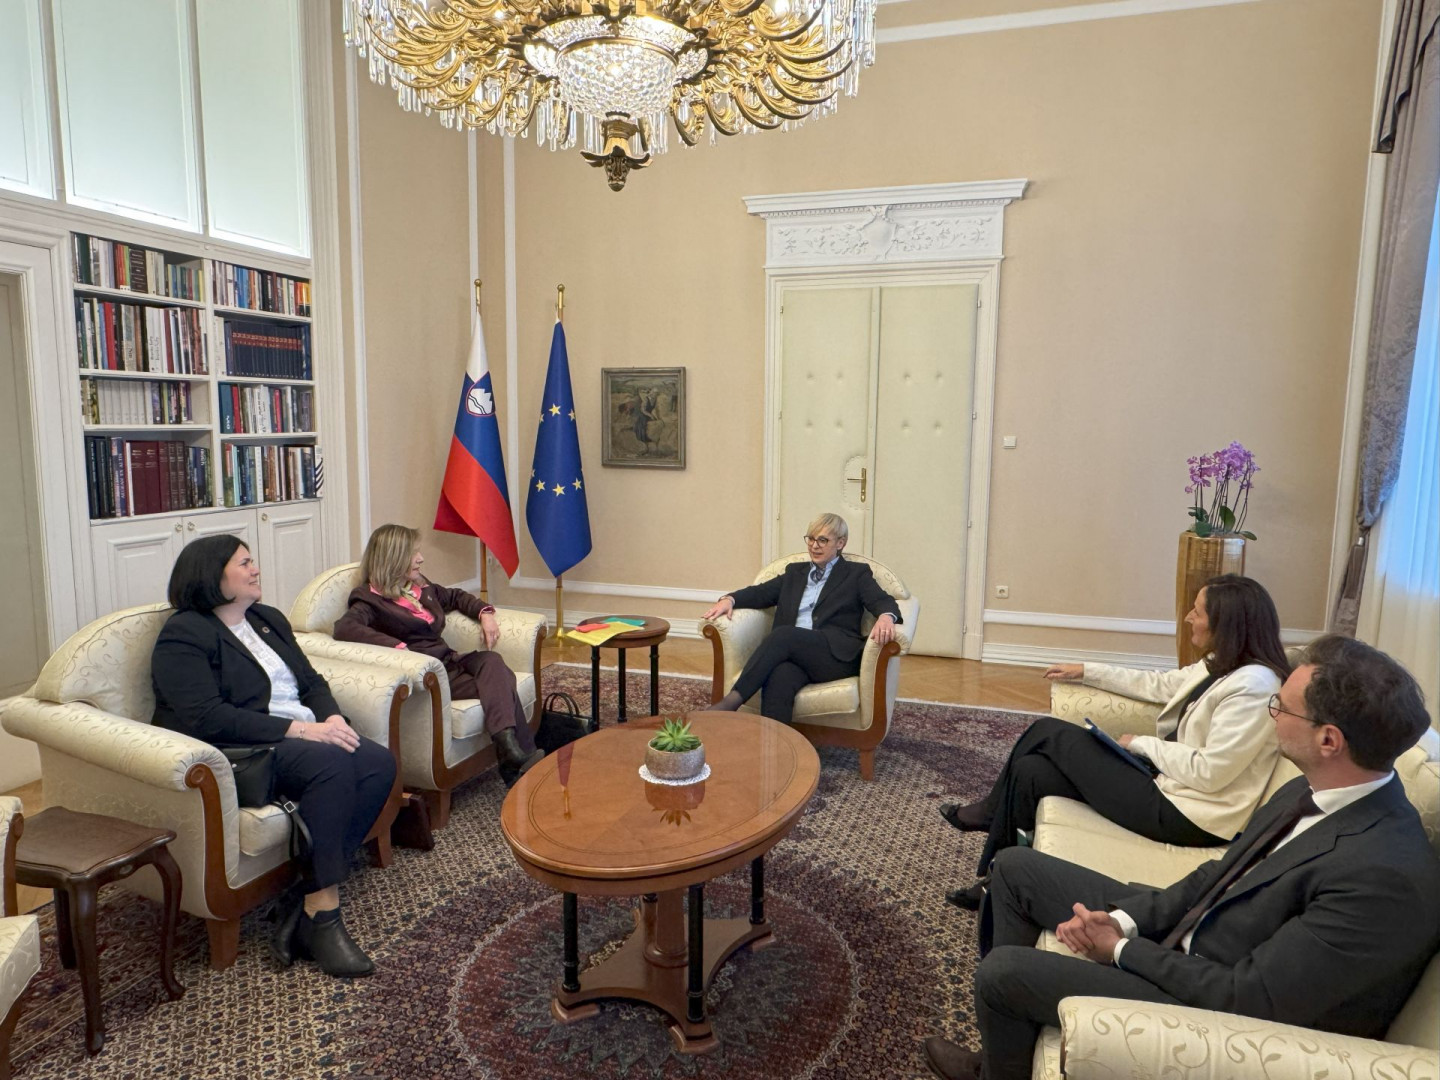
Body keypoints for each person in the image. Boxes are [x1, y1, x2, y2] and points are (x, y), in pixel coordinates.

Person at [921, 634, 1440, 1080]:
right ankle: (1007, 1050)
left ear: (1329, 739)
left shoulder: (1381, 877)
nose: (1272, 715)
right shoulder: (1311, 789)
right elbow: (1219, 875)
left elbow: (1249, 998)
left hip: (1213, 999)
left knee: (1004, 974)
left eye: (1281, 708)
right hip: (1203, 931)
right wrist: (1124, 920)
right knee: (1016, 871)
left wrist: (1121, 949)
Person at [939, 575, 1289, 911]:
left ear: (1225, 624)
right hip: (1168, 786)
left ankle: (988, 813)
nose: (1188, 618)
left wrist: (1142, 744)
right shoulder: (1222, 666)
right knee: (1032, 771)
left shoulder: (1254, 688)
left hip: (1189, 816)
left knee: (1048, 732)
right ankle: (994, 884)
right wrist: (1087, 671)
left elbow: (1211, 771)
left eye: (1197, 612)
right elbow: (1158, 684)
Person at [151, 535, 395, 979]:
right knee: (332, 765)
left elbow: (311, 681)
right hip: (243, 748)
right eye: (244, 563)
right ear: (213, 575)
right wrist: (301, 730)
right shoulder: (184, 634)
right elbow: (207, 717)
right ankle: (322, 914)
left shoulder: (267, 619)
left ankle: (300, 899)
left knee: (378, 762)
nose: (256, 569)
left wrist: (332, 718)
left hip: (298, 734)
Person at [334, 523, 543, 782]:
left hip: (450, 661)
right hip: (431, 676)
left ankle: (512, 756)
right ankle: (517, 757)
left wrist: (485, 614)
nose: (421, 558)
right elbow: (345, 628)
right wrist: (399, 648)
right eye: (414, 553)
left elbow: (455, 597)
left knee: (492, 661)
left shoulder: (419, 587)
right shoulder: (369, 599)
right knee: (503, 681)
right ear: (394, 557)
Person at [702, 512, 902, 724]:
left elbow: (883, 600)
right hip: (795, 654)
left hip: (834, 656)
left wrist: (886, 617)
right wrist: (730, 599)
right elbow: (760, 593)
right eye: (811, 539)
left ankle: (731, 702)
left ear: (840, 543)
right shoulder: (794, 573)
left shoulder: (855, 574)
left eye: (823, 540)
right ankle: (774, 742)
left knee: (783, 635)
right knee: (780, 677)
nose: (814, 546)